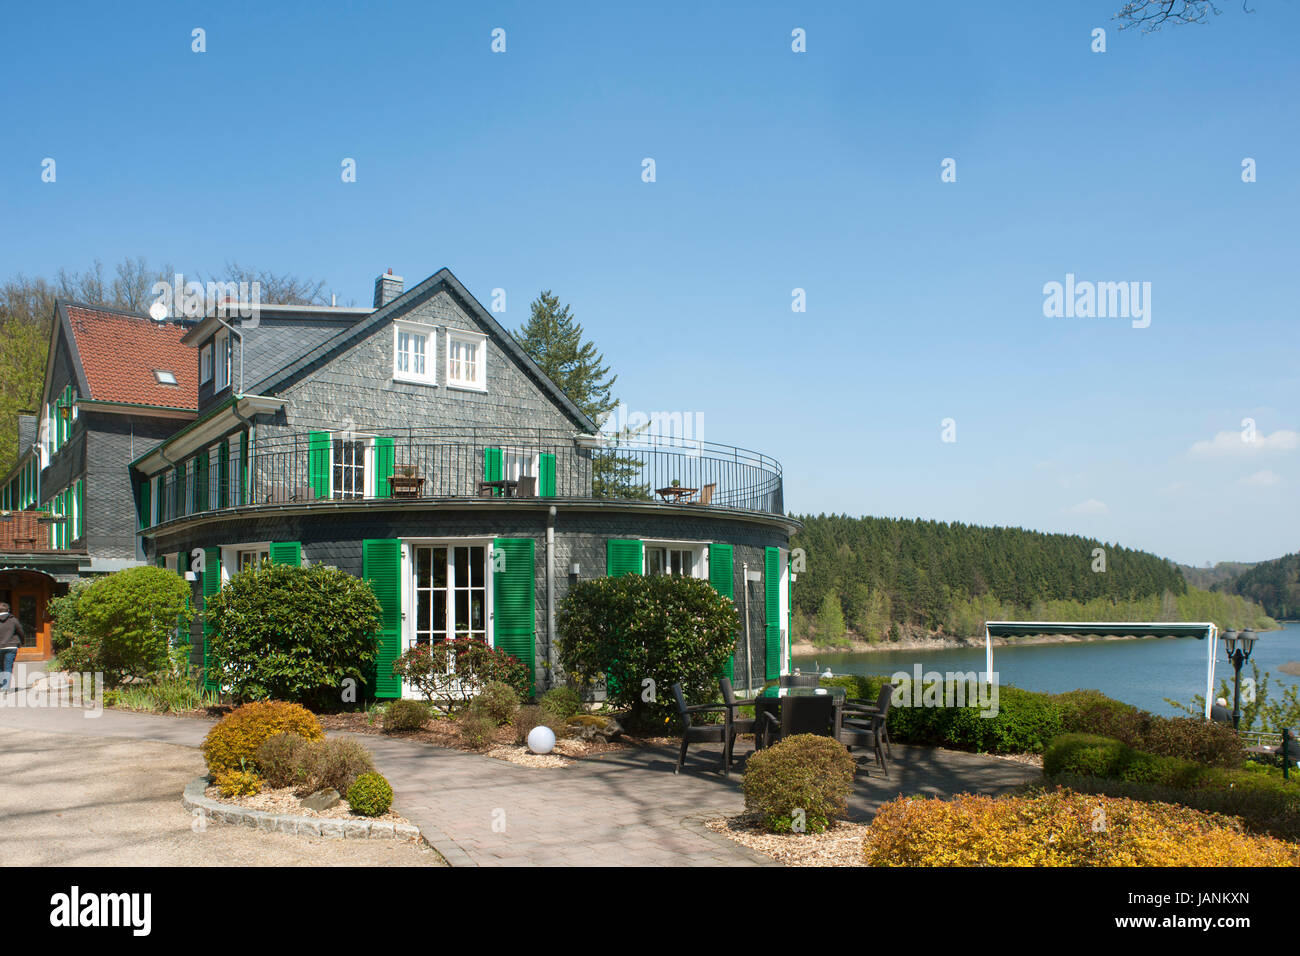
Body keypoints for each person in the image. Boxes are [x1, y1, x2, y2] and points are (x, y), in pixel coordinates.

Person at [0, 602, 24, 692]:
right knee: (8, 666)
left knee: (0, 666)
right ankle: (5, 687)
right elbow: (20, 631)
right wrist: (22, 642)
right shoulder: (13, 620)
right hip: (11, 646)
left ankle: (2, 684)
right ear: (8, 610)